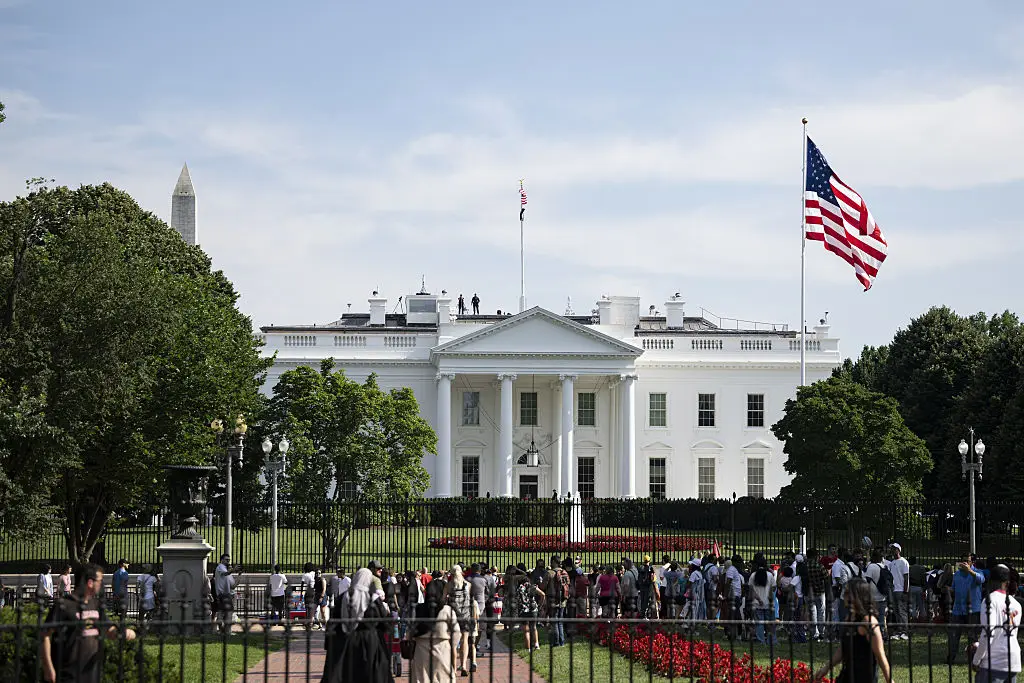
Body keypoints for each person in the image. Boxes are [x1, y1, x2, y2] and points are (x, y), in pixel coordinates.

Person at [41, 563, 136, 683]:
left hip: (91, 673)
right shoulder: (64, 605)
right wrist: (48, 667)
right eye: (100, 581)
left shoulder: (95, 605)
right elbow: (45, 635)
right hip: (67, 674)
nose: (101, 584)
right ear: (90, 582)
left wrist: (125, 632)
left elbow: (109, 631)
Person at [814, 578, 892, 683]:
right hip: (847, 674)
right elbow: (843, 649)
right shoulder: (849, 618)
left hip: (864, 677)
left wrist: (889, 680)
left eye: (847, 593)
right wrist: (826, 668)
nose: (844, 596)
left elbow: (880, 655)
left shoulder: (869, 622)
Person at [322, 568, 392, 683]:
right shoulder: (372, 599)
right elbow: (383, 621)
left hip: (344, 641)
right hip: (369, 642)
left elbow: (334, 620)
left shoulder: (343, 597)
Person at [972, 564, 1021, 683]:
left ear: (991, 581)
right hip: (1013, 659)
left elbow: (989, 633)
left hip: (993, 661)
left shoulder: (990, 600)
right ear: (1007, 582)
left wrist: (976, 660)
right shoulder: (1016, 604)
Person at [410, 570, 460, 683]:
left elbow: (411, 631)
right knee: (442, 678)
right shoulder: (447, 610)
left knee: (421, 678)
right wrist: (451, 645)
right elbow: (456, 633)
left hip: (421, 649)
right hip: (442, 648)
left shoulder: (418, 609)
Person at [949, 554, 986, 664]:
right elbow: (953, 589)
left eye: (967, 561)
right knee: (954, 635)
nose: (965, 562)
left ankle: (973, 659)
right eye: (963, 560)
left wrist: (970, 571)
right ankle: (951, 658)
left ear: (972, 562)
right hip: (958, 609)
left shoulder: (978, 572)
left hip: (973, 610)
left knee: (972, 636)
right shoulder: (956, 574)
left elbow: (981, 580)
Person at [442, 565, 473, 675]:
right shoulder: (468, 585)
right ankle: (463, 665)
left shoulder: (449, 585)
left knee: (453, 643)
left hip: (453, 615)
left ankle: (454, 668)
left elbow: (443, 600)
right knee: (465, 640)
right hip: (465, 615)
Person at [748, 557, 776, 645]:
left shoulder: (753, 575)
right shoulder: (770, 575)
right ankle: (771, 640)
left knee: (759, 624)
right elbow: (773, 588)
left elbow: (751, 590)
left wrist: (758, 599)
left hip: (757, 603)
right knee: (769, 623)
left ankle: (761, 640)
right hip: (768, 603)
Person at [214, 553, 239, 632]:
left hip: (224, 594)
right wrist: (233, 570)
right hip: (224, 594)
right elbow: (226, 573)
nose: (228, 561)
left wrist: (237, 574)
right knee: (228, 612)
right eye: (226, 560)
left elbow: (232, 585)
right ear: (222, 560)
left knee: (222, 612)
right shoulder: (221, 567)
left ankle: (222, 629)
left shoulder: (224, 569)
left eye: (229, 560)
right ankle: (227, 631)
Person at [302, 562, 319, 629]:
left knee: (307, 607)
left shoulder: (305, 575)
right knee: (313, 607)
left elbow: (302, 584)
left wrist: (301, 594)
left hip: (308, 591)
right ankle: (312, 621)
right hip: (314, 591)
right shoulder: (314, 573)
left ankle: (308, 621)